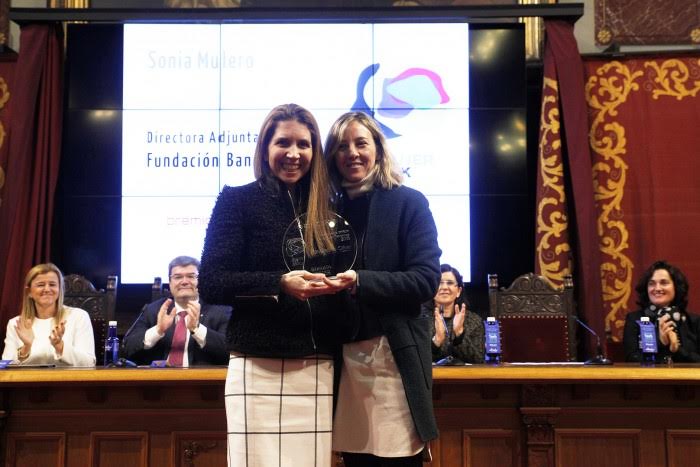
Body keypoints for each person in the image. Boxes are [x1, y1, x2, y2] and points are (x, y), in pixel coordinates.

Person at [198, 104, 352, 467]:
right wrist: (279, 284)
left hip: (316, 365)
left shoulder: (330, 208)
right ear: (265, 147)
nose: (294, 154)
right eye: (283, 142)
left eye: (304, 144)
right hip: (256, 365)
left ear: (316, 151)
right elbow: (212, 282)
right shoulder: (237, 201)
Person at [323, 111, 441, 466]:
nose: (352, 153)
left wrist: (361, 280)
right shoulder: (321, 210)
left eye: (361, 143)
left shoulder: (409, 202)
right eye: (342, 146)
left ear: (378, 148)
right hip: (339, 361)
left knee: (398, 459)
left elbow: (425, 280)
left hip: (394, 359)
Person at [122, 256, 231, 366]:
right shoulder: (153, 310)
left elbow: (230, 351)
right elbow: (127, 348)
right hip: (159, 380)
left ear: (200, 281)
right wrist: (158, 330)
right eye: (178, 277)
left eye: (191, 276)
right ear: (170, 283)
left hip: (201, 381)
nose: (184, 282)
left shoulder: (220, 311)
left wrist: (197, 329)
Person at [2, 263, 96, 366]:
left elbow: (89, 363)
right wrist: (26, 346)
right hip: (29, 381)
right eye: (41, 285)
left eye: (52, 284)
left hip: (68, 380)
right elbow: (6, 367)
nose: (47, 289)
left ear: (60, 289)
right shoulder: (15, 323)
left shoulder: (79, 317)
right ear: (29, 292)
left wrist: (60, 346)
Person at [623, 260, 700, 363]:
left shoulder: (694, 321)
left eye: (664, 283)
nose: (657, 288)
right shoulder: (634, 319)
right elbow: (631, 359)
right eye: (652, 284)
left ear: (676, 287)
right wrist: (660, 343)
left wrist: (677, 350)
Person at [426, 264, 484, 365]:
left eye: (450, 283)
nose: (444, 287)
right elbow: (415, 361)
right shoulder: (420, 320)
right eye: (439, 283)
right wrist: (436, 341)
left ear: (458, 291)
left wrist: (459, 335)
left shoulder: (474, 320)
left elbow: (478, 360)